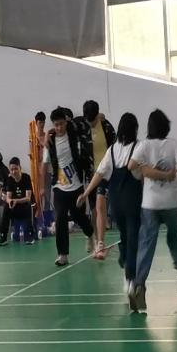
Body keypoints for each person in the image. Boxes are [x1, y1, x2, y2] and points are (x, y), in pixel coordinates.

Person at [127, 109, 177, 313]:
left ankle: (139, 284)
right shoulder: (173, 144)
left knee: (146, 244)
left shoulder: (144, 145)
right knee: (175, 238)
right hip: (170, 203)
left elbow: (130, 166)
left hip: (149, 204)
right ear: (166, 126)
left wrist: (145, 170)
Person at [77, 113, 142, 296]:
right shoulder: (139, 147)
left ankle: (125, 262)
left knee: (125, 236)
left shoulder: (112, 150)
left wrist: (86, 193)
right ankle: (130, 279)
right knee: (133, 240)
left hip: (116, 204)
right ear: (135, 129)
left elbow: (99, 173)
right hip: (133, 202)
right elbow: (144, 174)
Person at [42, 107, 95, 266]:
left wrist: (48, 131)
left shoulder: (74, 134)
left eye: (61, 124)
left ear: (66, 122)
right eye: (56, 125)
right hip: (59, 187)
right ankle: (62, 254)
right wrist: (42, 187)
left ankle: (90, 234)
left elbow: (86, 120)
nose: (59, 128)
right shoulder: (50, 142)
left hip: (76, 186)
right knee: (60, 218)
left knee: (79, 217)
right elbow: (44, 164)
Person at [75, 100, 116, 259]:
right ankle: (94, 237)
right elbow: (67, 122)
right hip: (91, 174)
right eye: (88, 120)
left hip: (107, 172)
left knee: (100, 207)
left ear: (98, 115)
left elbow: (116, 147)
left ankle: (100, 243)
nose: (91, 124)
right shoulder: (81, 125)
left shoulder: (107, 127)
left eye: (93, 120)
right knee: (94, 209)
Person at [0, 157, 35, 246]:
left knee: (28, 204)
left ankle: (29, 236)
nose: (14, 171)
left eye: (15, 169)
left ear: (20, 168)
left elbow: (28, 198)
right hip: (15, 207)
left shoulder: (26, 177)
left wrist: (15, 200)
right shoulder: (10, 179)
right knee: (6, 207)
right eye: (11, 169)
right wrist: (9, 201)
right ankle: (3, 236)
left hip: (24, 206)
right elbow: (8, 197)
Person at [34, 111, 52, 214]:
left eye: (43, 122)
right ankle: (38, 216)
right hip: (37, 170)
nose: (42, 124)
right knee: (38, 195)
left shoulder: (47, 136)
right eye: (40, 122)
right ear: (36, 123)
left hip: (47, 169)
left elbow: (50, 153)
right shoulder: (33, 138)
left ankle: (47, 216)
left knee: (47, 195)